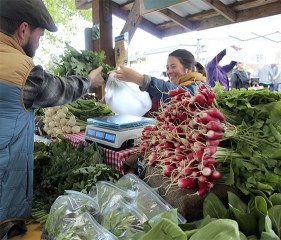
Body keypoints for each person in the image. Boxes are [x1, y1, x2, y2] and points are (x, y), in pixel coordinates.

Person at [0, 0, 105, 238]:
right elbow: (60, 89)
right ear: (23, 29)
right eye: (40, 36)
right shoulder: (22, 69)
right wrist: (89, 80)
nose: (39, 43)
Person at [114, 49, 207, 115]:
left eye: (173, 66)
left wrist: (140, 79)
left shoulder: (199, 86)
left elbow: (177, 93)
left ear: (188, 69)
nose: (169, 71)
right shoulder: (171, 84)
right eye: (167, 67)